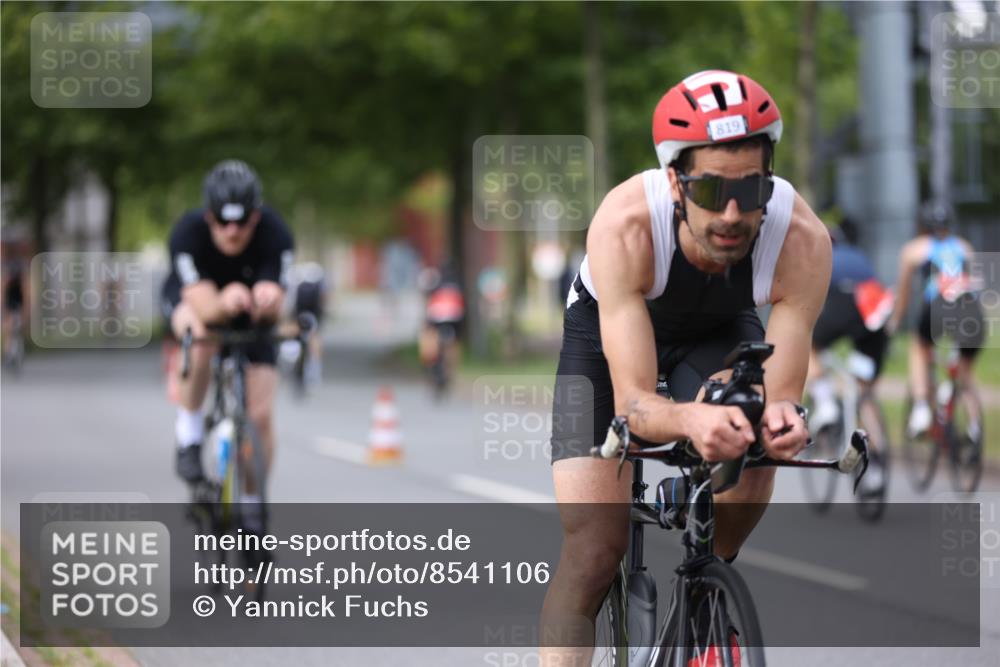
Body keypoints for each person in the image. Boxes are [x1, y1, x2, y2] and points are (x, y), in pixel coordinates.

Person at [544, 70, 830, 665]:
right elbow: (634, 405)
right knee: (593, 551)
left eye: (750, 189)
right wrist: (690, 420)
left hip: (717, 329)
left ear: (770, 178)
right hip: (603, 335)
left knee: (752, 435)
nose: (732, 214)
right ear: (675, 181)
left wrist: (781, 420)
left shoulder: (801, 239)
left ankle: (706, 588)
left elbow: (782, 393)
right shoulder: (624, 224)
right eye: (710, 190)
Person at [160, 159, 293, 533]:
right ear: (209, 217)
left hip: (249, 314)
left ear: (256, 217)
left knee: (261, 417)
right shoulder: (187, 234)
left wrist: (269, 300)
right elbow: (206, 307)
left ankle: (252, 509)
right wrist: (226, 299)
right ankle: (189, 434)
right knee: (201, 335)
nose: (232, 231)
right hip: (198, 302)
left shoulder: (276, 233)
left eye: (242, 222)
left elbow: (277, 302)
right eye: (222, 221)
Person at [807, 216, 893, 488]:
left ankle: (825, 403)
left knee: (808, 343)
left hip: (842, 301)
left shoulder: (826, 254)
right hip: (874, 311)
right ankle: (876, 464)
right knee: (864, 394)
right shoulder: (861, 257)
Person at [888, 201, 983, 438]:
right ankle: (974, 428)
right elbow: (977, 284)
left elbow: (905, 292)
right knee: (965, 373)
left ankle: (921, 408)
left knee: (919, 346)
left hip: (939, 305)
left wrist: (895, 321)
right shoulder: (964, 246)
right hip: (971, 310)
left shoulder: (915, 249)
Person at [2, 265, 25, 362]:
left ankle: (12, 354)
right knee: (11, 334)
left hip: (14, 310)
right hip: (12, 310)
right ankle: (9, 355)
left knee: (13, 334)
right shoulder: (9, 288)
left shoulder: (15, 287)